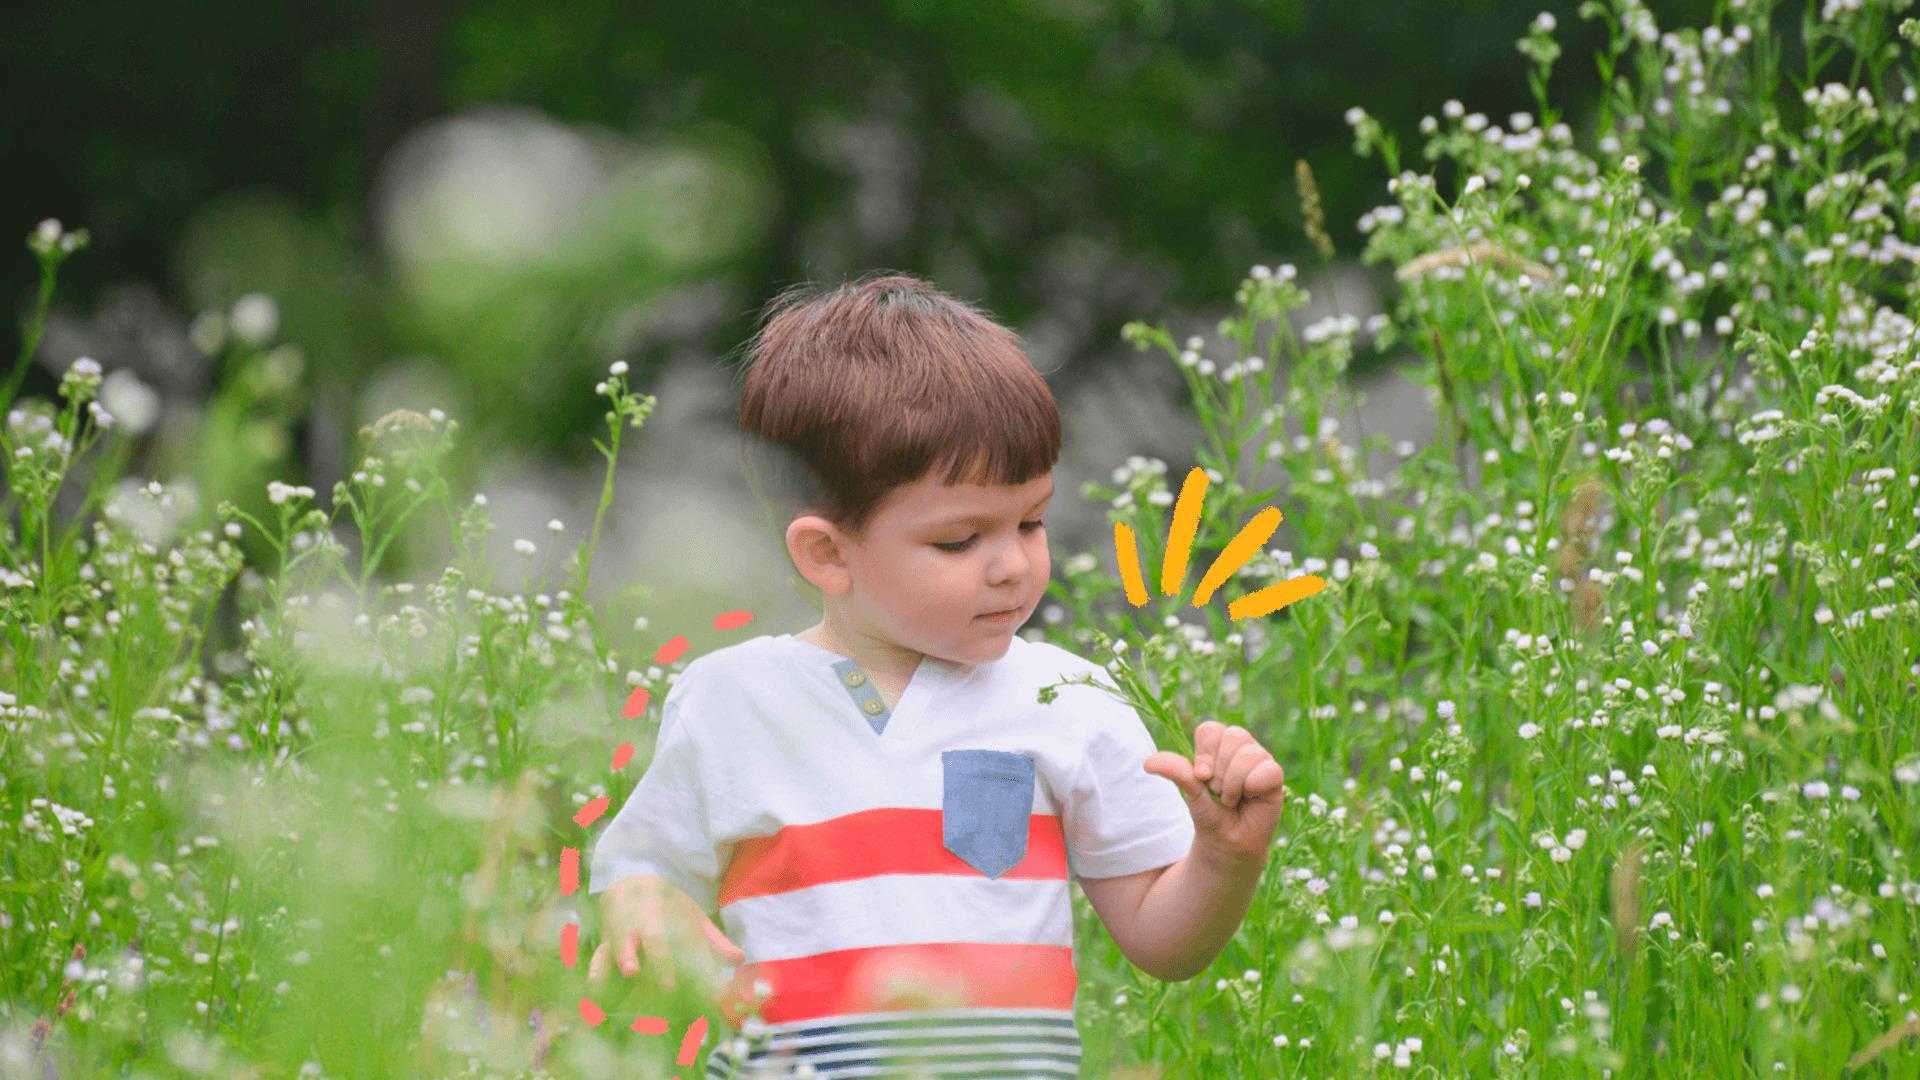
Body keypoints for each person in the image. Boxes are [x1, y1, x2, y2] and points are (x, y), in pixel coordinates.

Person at [586, 272, 1286, 1077]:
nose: (1013, 566)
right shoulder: (731, 700)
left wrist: (1226, 858)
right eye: (959, 541)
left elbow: (1163, 943)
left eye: (1031, 521)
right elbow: (646, 869)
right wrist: (645, 907)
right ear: (828, 553)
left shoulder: (1067, 698)